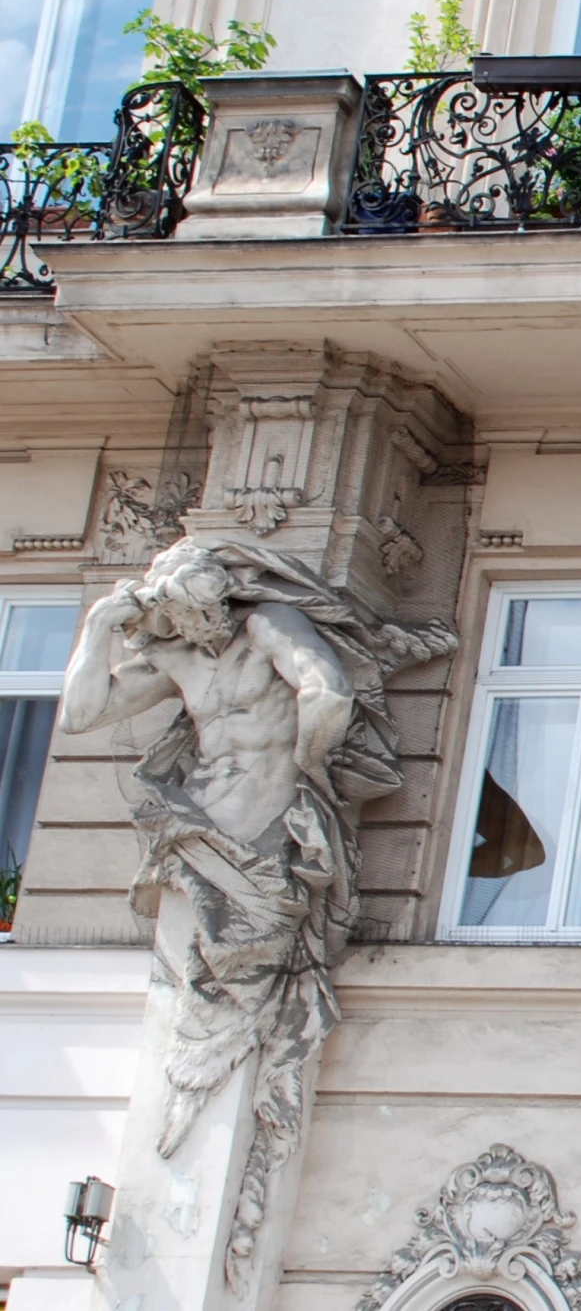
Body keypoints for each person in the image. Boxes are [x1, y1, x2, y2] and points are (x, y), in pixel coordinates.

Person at [60, 538, 450, 1288]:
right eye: (186, 618)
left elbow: (326, 690)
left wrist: (308, 770)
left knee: (243, 995)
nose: (202, 628)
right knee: (204, 1000)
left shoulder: (266, 626)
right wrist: (102, 629)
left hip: (269, 834)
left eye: (209, 612)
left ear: (227, 599)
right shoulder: (175, 657)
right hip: (204, 835)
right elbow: (83, 715)